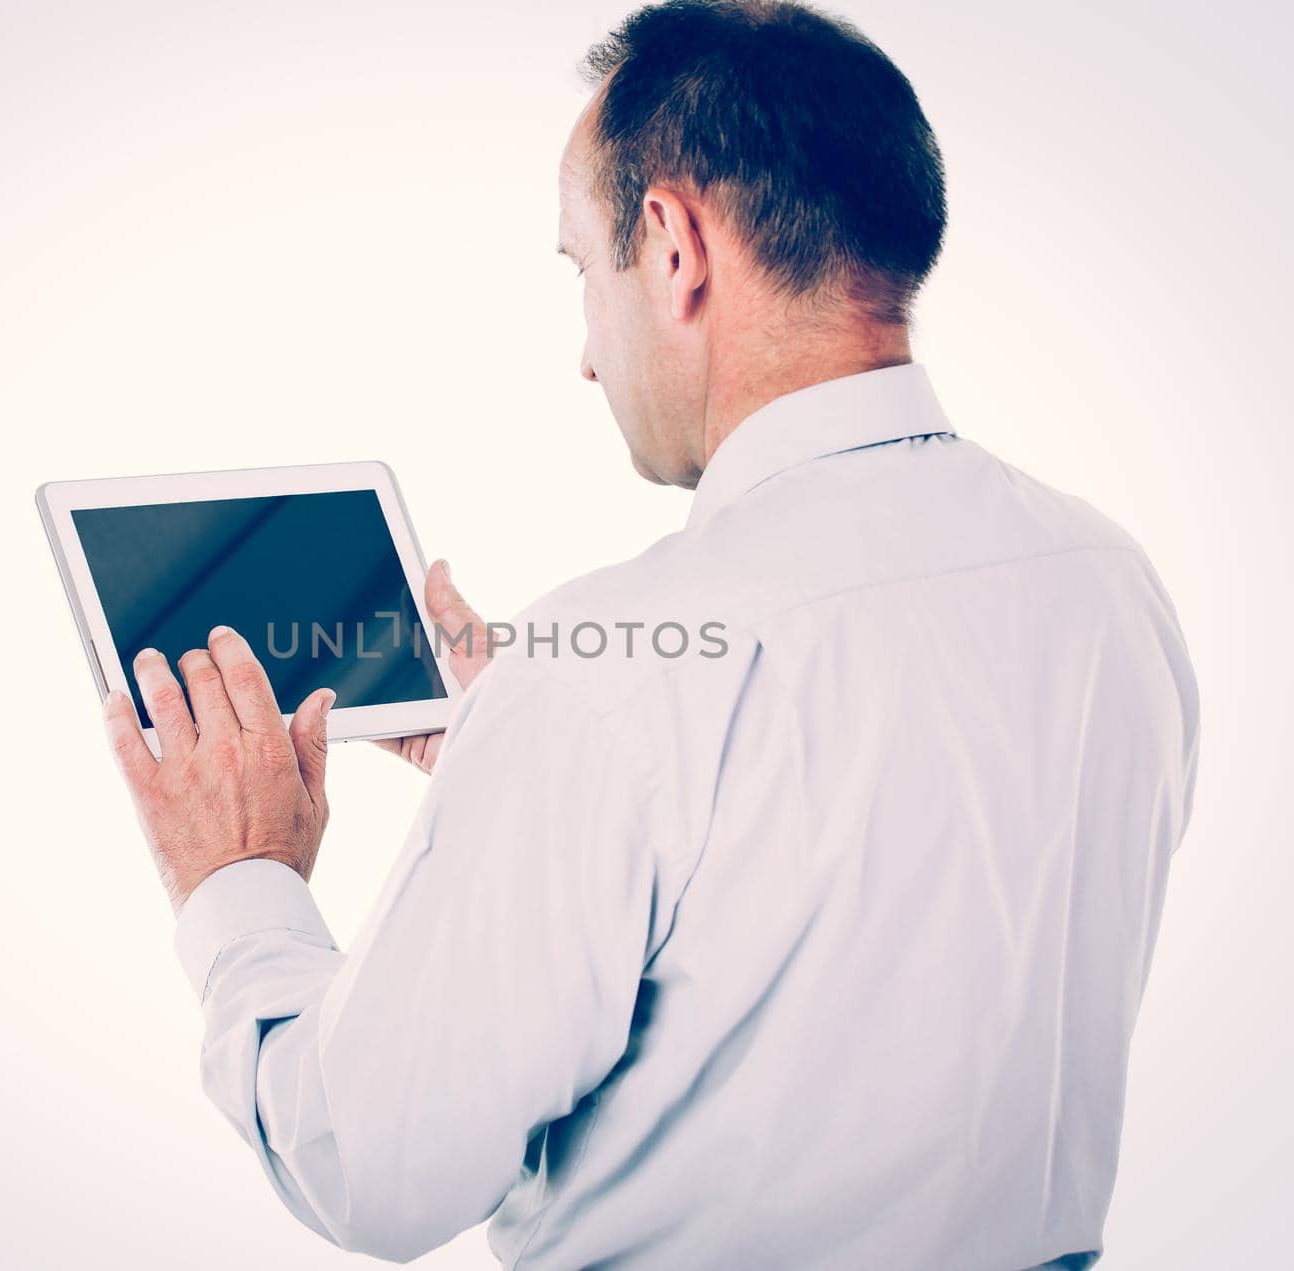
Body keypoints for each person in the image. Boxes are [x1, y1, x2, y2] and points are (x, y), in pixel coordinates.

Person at [100, 2, 1199, 1266]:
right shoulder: (1106, 577)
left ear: (671, 244)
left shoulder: (617, 667)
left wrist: (240, 882)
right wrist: (529, 769)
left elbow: (374, 1166)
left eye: (583, 269)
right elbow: (883, 890)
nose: (584, 352)